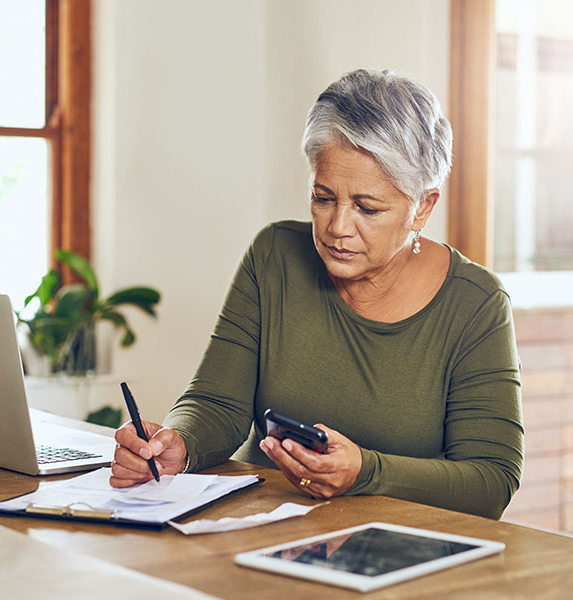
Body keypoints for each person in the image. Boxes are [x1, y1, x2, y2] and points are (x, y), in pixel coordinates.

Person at [110, 69, 524, 520]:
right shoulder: (274, 256)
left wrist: (366, 471)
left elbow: (491, 480)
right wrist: (180, 444)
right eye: (323, 198)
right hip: (257, 530)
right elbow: (217, 403)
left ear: (422, 207)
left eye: (367, 207)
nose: (338, 228)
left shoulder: (477, 303)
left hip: (396, 557)